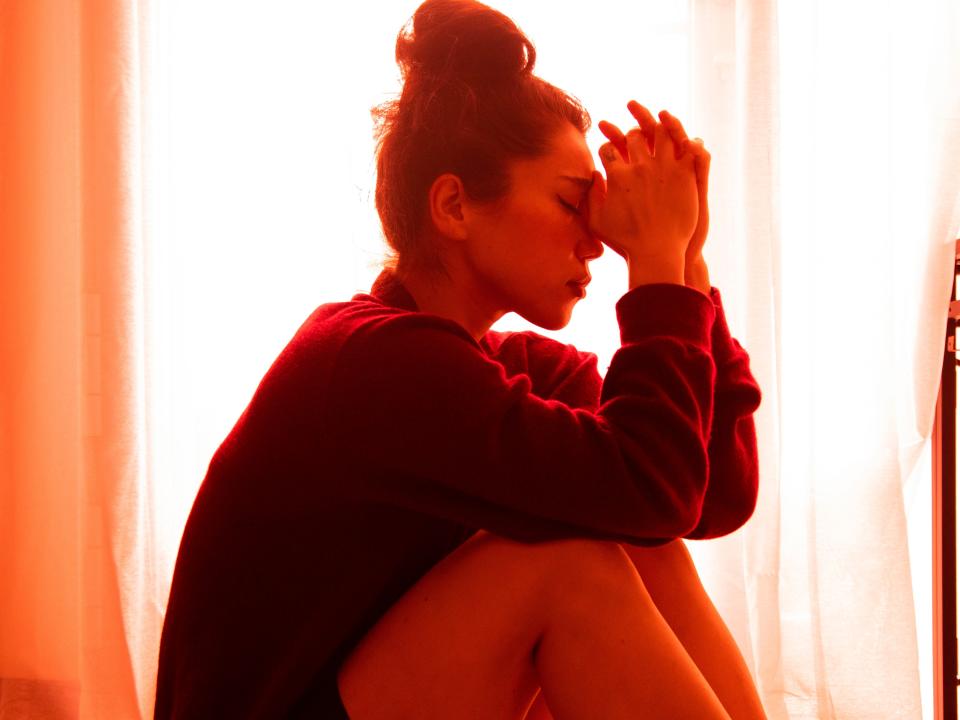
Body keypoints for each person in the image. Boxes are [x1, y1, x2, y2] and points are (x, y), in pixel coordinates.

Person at [153, 0, 766, 718]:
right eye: (574, 203)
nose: (597, 241)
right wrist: (656, 263)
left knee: (635, 538)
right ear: (454, 207)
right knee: (568, 563)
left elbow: (703, 496)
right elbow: (650, 484)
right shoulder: (371, 362)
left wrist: (686, 260)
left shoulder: (505, 369)